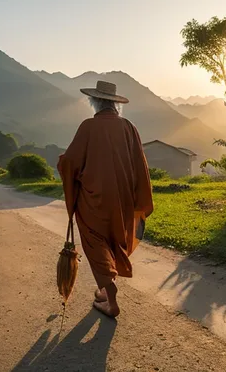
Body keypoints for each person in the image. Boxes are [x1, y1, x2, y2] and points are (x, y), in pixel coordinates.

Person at [57, 81, 154, 318]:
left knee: (96, 244)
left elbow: (70, 162)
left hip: (94, 199)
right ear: (115, 105)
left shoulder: (88, 126)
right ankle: (103, 291)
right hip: (122, 199)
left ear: (94, 102)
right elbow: (140, 165)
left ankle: (111, 301)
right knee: (113, 241)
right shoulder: (129, 127)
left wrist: (63, 163)